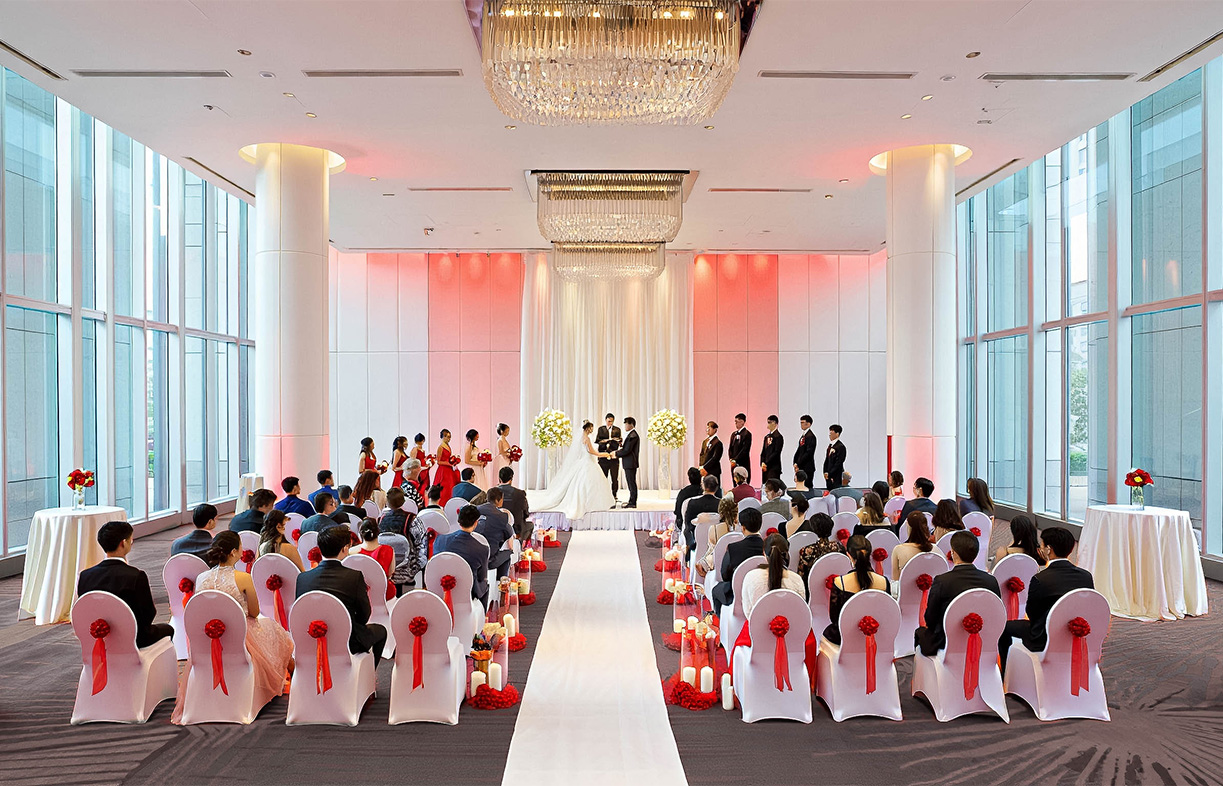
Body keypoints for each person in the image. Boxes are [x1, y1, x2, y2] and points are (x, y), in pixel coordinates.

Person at [172, 531, 294, 724]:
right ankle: (294, 676)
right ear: (233, 553)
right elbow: (254, 612)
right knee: (275, 631)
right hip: (240, 637)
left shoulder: (202, 578)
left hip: (206, 639)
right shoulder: (243, 578)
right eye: (240, 546)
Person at [997, 527, 1094, 669]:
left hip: (1043, 637)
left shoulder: (1041, 579)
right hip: (1076, 634)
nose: (1040, 548)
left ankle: (1005, 674)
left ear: (1048, 549)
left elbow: (1032, 613)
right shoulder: (1086, 576)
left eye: (1041, 545)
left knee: (1005, 628)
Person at [297, 524, 388, 666]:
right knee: (381, 631)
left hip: (311, 638)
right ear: (345, 549)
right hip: (347, 640)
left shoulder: (303, 578)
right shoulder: (354, 577)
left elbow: (301, 613)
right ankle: (369, 676)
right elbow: (364, 615)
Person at [78, 521, 173, 647]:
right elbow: (148, 613)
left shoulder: (85, 575)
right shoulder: (136, 576)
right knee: (168, 629)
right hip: (134, 638)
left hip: (98, 637)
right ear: (123, 543)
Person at [915, 531, 1001, 656]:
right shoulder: (991, 581)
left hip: (946, 641)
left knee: (920, 633)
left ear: (953, 553)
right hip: (983, 639)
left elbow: (930, 618)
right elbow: (997, 614)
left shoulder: (942, 581)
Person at [529, 421, 616, 521]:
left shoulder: (582, 437)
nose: (592, 430)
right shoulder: (586, 438)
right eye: (591, 428)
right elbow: (591, 451)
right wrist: (604, 454)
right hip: (587, 461)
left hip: (585, 461)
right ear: (588, 428)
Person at [823, 534, 890, 645]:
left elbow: (835, 618)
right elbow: (886, 613)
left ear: (848, 555)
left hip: (845, 638)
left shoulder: (840, 582)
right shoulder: (883, 582)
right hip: (877, 634)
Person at [435, 504, 491, 607]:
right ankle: (481, 618)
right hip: (468, 592)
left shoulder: (440, 540)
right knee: (485, 585)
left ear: (458, 521)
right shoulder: (482, 548)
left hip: (440, 587)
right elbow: (482, 576)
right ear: (476, 523)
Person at [711, 508, 764, 614]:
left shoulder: (733, 548)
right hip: (762, 591)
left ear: (743, 528)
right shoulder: (767, 547)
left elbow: (724, 575)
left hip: (736, 593)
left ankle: (721, 622)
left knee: (716, 590)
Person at [741, 533, 808, 616]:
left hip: (757, 627)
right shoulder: (796, 579)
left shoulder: (751, 577)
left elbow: (748, 612)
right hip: (793, 627)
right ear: (787, 554)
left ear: (764, 553)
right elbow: (801, 610)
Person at [477, 487, 516, 579]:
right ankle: (501, 582)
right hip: (489, 560)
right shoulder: (502, 517)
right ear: (498, 500)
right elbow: (509, 537)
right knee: (508, 553)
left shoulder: (476, 509)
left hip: (474, 555)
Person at [796, 512, 846, 582]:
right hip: (836, 583)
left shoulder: (807, 551)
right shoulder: (839, 547)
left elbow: (801, 575)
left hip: (812, 585)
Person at [353, 519, 395, 601]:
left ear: (360, 533)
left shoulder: (352, 552)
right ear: (378, 532)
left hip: (360, 596)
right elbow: (390, 573)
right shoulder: (389, 550)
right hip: (385, 594)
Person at [695, 495, 737, 577]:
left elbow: (711, 552)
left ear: (720, 511)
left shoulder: (714, 529)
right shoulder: (743, 529)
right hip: (737, 569)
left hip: (718, 571)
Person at [681, 475, 722, 551]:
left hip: (695, 545)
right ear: (717, 488)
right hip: (717, 544)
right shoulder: (721, 504)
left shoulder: (692, 503)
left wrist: (689, 545)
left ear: (703, 486)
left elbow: (687, 525)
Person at [891, 511, 934, 580]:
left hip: (904, 590)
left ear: (908, 527)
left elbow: (895, 581)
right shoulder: (935, 549)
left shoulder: (899, 550)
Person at [611, 416, 641, 508]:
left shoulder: (633, 435)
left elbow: (627, 450)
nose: (625, 426)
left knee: (631, 483)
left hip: (630, 462)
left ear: (631, 425)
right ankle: (631, 501)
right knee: (631, 482)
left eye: (626, 424)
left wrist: (616, 453)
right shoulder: (631, 435)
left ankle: (632, 502)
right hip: (629, 462)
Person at [496, 466, 532, 539]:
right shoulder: (520, 493)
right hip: (516, 529)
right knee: (530, 525)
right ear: (511, 479)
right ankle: (522, 546)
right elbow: (526, 512)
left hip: (496, 527)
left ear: (499, 479)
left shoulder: (492, 492)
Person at [595, 413, 623, 503]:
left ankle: (614, 495)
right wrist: (605, 441)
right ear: (606, 420)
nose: (610, 423)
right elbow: (597, 441)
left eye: (611, 421)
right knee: (603, 477)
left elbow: (620, 440)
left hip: (613, 456)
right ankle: (602, 494)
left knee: (615, 478)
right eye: (608, 421)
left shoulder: (617, 429)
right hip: (603, 456)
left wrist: (618, 441)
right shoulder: (601, 429)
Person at [728, 412, 754, 485]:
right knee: (734, 481)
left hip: (743, 462)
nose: (735, 424)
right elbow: (730, 448)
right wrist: (731, 458)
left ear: (742, 422)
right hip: (734, 463)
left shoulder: (747, 434)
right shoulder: (733, 434)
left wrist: (736, 459)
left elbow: (745, 449)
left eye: (737, 422)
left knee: (743, 481)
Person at [434, 429, 458, 504]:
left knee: (450, 487)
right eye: (447, 437)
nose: (449, 439)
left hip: (449, 469)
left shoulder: (447, 446)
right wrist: (449, 463)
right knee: (445, 488)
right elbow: (439, 461)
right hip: (443, 470)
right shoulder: (441, 447)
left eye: (449, 437)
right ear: (443, 437)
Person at [793, 415, 817, 486]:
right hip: (801, 466)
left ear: (809, 424)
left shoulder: (811, 436)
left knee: (807, 485)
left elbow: (809, 453)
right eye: (801, 422)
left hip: (807, 467)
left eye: (803, 422)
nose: (801, 424)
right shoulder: (803, 436)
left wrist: (799, 463)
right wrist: (795, 462)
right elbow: (799, 450)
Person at [759, 415, 784, 483]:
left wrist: (767, 462)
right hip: (765, 467)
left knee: (772, 486)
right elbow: (763, 451)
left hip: (773, 467)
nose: (768, 424)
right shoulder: (767, 437)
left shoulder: (779, 437)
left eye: (769, 422)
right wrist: (762, 462)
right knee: (765, 486)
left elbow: (776, 452)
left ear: (775, 423)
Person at [698, 421, 723, 485]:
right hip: (704, 470)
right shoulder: (705, 441)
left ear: (715, 430)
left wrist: (705, 467)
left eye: (710, 428)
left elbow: (715, 458)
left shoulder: (718, 443)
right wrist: (701, 467)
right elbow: (701, 454)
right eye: (707, 428)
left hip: (713, 471)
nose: (707, 430)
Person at [823, 424, 846, 490]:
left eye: (832, 433)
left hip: (836, 474)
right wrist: (825, 471)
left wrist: (830, 473)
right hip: (828, 474)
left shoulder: (840, 446)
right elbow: (827, 459)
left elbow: (839, 462)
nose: (830, 435)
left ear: (837, 434)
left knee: (835, 490)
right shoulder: (830, 446)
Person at [491, 423, 513, 487]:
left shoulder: (504, 440)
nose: (507, 433)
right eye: (506, 431)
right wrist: (508, 454)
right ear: (502, 431)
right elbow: (501, 451)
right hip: (501, 459)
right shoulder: (500, 440)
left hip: (505, 459)